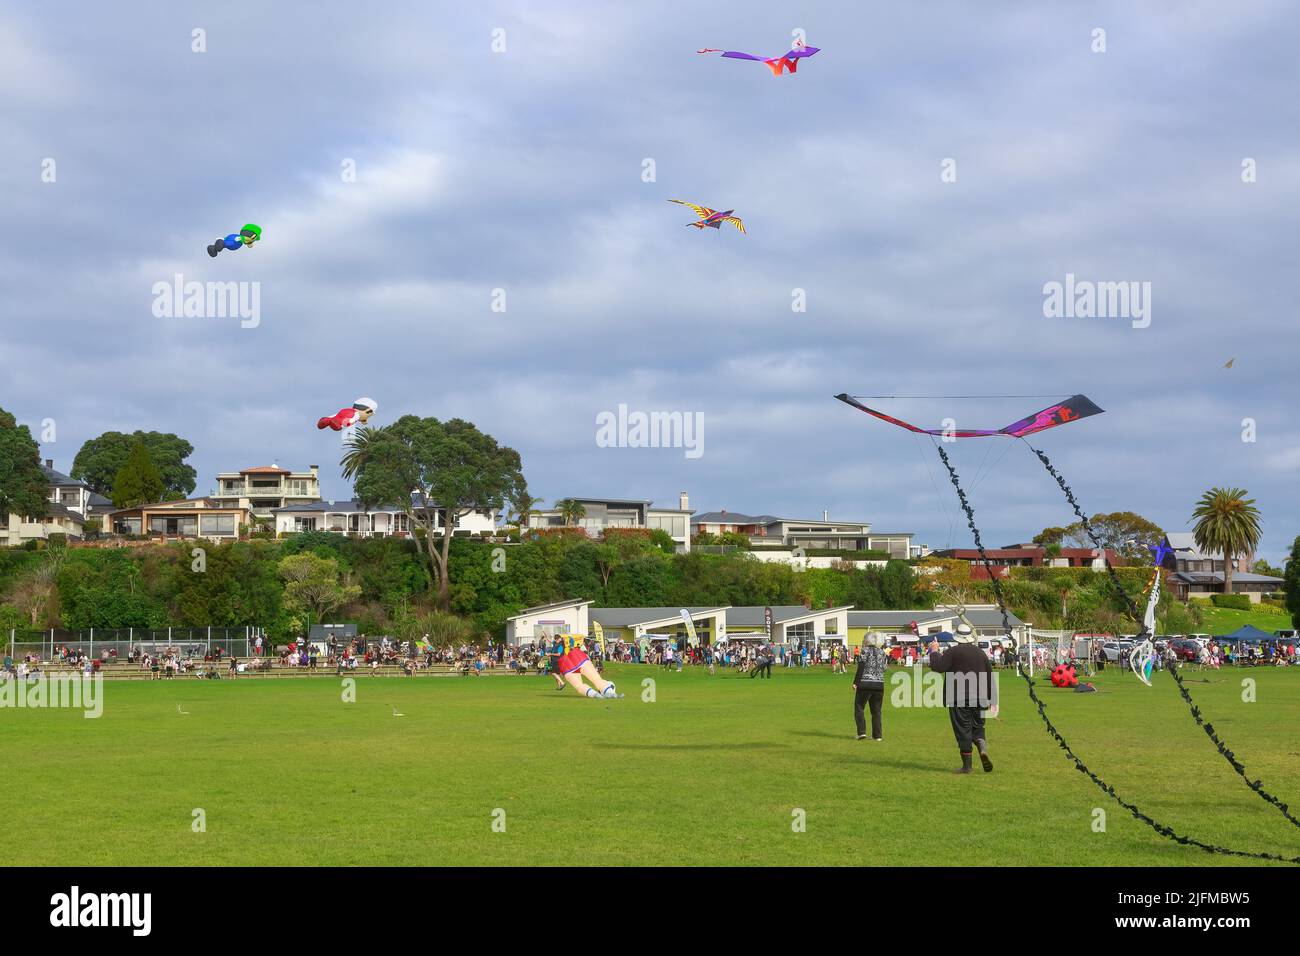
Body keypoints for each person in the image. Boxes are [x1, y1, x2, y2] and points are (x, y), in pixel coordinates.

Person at [927, 625, 994, 774]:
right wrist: (991, 699)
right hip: (981, 697)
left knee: (963, 730)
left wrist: (935, 650)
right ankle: (982, 747)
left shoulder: (953, 652)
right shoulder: (981, 653)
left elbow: (938, 667)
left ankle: (967, 767)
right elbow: (989, 676)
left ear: (956, 637)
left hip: (959, 697)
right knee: (978, 727)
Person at [554, 633, 621, 699]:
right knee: (597, 680)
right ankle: (608, 691)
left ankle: (594, 694)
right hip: (579, 658)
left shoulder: (555, 645)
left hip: (566, 665)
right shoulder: (569, 642)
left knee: (579, 686)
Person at [853, 635, 886, 741]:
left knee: (859, 707)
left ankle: (861, 732)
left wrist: (855, 682)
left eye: (864, 640)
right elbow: (884, 668)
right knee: (876, 711)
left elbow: (861, 666)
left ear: (867, 641)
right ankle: (877, 736)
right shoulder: (882, 652)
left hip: (865, 684)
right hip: (879, 685)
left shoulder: (864, 651)